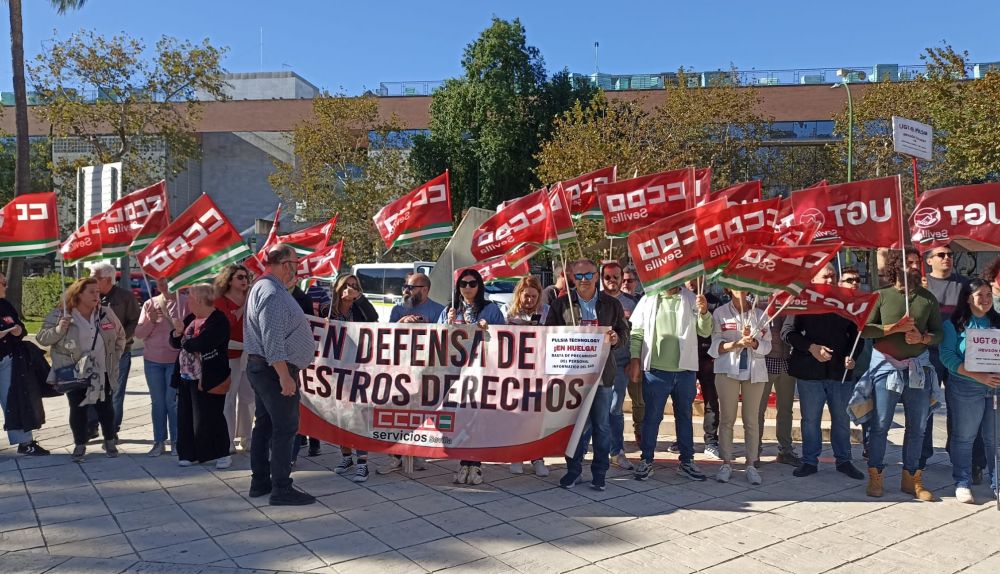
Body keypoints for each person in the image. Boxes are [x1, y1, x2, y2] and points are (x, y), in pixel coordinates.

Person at [858, 251, 941, 501]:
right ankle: (876, 474)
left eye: (917, 263)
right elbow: (864, 329)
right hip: (886, 370)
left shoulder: (927, 299)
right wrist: (892, 328)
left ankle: (911, 478)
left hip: (917, 370)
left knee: (917, 426)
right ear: (897, 266)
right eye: (910, 263)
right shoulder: (881, 296)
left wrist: (923, 338)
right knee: (881, 424)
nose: (915, 267)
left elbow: (938, 333)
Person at [245, 243, 319, 506]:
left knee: (265, 424)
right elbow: (272, 338)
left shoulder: (268, 288)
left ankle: (261, 482)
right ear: (285, 264)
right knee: (285, 427)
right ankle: (281, 487)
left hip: (267, 368)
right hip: (274, 369)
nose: (297, 269)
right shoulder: (272, 292)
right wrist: (284, 376)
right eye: (296, 264)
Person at [546, 259, 629, 491]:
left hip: (603, 375)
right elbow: (547, 334)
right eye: (579, 276)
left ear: (596, 276)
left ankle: (600, 472)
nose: (583, 280)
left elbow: (624, 333)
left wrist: (616, 339)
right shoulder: (561, 304)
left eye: (588, 275)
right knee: (576, 427)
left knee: (601, 426)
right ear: (572, 277)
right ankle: (573, 471)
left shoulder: (611, 304)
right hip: (572, 377)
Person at [781, 264, 865, 479]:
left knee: (841, 419)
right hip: (810, 372)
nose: (830, 280)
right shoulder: (802, 300)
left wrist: (852, 356)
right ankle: (809, 461)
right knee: (810, 420)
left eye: (833, 277)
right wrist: (811, 348)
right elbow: (788, 332)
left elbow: (858, 335)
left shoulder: (845, 303)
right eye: (825, 277)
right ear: (813, 279)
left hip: (840, 372)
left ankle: (844, 460)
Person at [627, 282, 712, 482]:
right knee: (652, 418)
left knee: (684, 416)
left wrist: (704, 311)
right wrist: (634, 360)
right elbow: (637, 333)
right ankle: (646, 460)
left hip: (685, 371)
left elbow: (705, 331)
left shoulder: (692, 297)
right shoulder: (648, 299)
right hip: (656, 372)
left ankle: (687, 461)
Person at [37, 277, 126, 462]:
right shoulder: (61, 313)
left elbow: (120, 336)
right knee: (78, 408)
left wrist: (114, 357)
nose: (96, 295)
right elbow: (42, 338)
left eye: (98, 292)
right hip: (74, 370)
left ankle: (109, 440)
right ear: (78, 294)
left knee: (105, 406)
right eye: (92, 292)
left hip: (102, 370)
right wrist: (59, 329)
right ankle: (79, 444)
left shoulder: (105, 313)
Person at [439, 268, 505, 485]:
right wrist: (446, 324)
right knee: (459, 416)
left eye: (472, 283)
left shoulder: (491, 309)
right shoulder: (450, 310)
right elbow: (436, 338)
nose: (468, 288)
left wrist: (490, 329)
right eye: (463, 284)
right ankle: (463, 462)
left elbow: (504, 338)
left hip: (480, 370)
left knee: (476, 415)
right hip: (455, 371)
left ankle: (475, 464)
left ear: (479, 286)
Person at [940, 278, 1000, 503]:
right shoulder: (953, 324)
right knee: (964, 437)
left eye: (988, 295)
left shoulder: (998, 323)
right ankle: (962, 482)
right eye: (979, 295)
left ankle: (998, 484)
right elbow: (947, 356)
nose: (985, 300)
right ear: (967, 298)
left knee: (995, 439)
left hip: (996, 388)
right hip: (965, 387)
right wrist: (978, 375)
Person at [378, 273, 444, 475]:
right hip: (400, 370)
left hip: (426, 370)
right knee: (398, 413)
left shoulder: (439, 310)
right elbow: (386, 334)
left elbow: (444, 338)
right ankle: (395, 455)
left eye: (411, 287)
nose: (406, 290)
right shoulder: (398, 309)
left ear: (425, 289)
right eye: (405, 286)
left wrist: (426, 326)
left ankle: (417, 453)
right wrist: (402, 322)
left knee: (420, 413)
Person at [709, 288, 771, 485]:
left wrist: (753, 343)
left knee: (751, 420)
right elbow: (715, 346)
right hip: (727, 371)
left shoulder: (760, 315)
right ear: (728, 288)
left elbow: (767, 346)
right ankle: (726, 462)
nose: (741, 289)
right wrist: (736, 344)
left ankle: (751, 463)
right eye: (736, 284)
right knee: (727, 419)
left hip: (755, 372)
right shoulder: (720, 313)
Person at [921, 245, 973, 478]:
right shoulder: (921, 285)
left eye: (950, 255)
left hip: (957, 354)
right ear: (929, 261)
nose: (947, 259)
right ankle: (920, 457)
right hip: (928, 354)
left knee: (960, 408)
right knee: (924, 407)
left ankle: (962, 457)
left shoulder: (964, 285)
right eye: (941, 255)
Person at [169, 284, 232, 469]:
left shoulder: (219, 320)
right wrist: (177, 332)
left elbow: (201, 343)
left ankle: (222, 453)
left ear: (198, 300)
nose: (187, 302)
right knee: (186, 416)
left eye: (189, 298)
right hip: (186, 376)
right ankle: (188, 453)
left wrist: (184, 340)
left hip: (210, 376)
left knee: (211, 415)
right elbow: (175, 342)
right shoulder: (190, 318)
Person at [326, 274, 377, 482]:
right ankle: (346, 456)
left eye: (355, 286)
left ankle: (363, 462)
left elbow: (373, 318)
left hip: (358, 368)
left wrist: (359, 298)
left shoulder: (360, 308)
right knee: (340, 415)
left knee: (358, 415)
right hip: (334, 369)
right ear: (338, 288)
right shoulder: (328, 310)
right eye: (347, 285)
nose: (351, 289)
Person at [134, 277, 188, 457]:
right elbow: (140, 334)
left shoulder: (185, 302)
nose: (163, 285)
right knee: (157, 403)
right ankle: (158, 441)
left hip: (175, 359)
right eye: (159, 282)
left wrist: (180, 326)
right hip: (153, 360)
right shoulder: (150, 303)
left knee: (172, 402)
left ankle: (177, 441)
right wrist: (150, 320)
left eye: (167, 280)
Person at [504, 275, 550, 477]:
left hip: (540, 371)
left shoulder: (547, 312)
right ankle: (516, 455)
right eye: (526, 296)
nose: (530, 300)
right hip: (515, 371)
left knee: (537, 417)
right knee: (517, 416)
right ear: (519, 295)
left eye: (534, 296)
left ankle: (537, 457)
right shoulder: (508, 311)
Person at [0, 271, 49, 455]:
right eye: (2, 282)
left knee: (15, 400)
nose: (6, 285)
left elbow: (21, 328)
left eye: (5, 281)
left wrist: (18, 330)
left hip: (7, 360)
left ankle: (25, 443)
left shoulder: (5, 305)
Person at [89, 262, 140, 439]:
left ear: (108, 279)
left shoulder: (125, 297)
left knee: (115, 392)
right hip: (93, 352)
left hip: (119, 352)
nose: (90, 280)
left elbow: (135, 321)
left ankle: (111, 430)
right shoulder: (89, 296)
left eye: (94, 277)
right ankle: (92, 426)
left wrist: (119, 340)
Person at [599, 261, 639, 470]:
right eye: (608, 277)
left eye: (616, 277)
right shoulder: (595, 302)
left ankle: (617, 451)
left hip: (621, 362)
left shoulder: (632, 303)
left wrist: (634, 359)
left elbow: (639, 333)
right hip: (596, 364)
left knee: (615, 407)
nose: (612, 281)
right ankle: (599, 450)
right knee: (598, 408)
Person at [214, 264, 253, 454]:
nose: (244, 280)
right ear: (229, 280)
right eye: (239, 277)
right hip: (229, 357)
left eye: (246, 276)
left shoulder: (252, 299)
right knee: (228, 401)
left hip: (250, 356)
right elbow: (221, 332)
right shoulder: (220, 302)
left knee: (248, 399)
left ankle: (247, 439)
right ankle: (227, 441)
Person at [684, 279, 722, 460]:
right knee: (683, 400)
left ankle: (711, 441)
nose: (693, 281)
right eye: (690, 277)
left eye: (698, 276)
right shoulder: (681, 298)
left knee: (711, 401)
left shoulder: (715, 300)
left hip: (708, 357)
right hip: (685, 356)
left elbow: (717, 330)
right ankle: (682, 439)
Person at [760, 309, 800, 468]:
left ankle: (785, 450)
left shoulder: (792, 305)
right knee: (758, 409)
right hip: (766, 361)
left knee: (785, 409)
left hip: (786, 361)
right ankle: (754, 449)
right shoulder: (763, 304)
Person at [622, 265, 645, 444]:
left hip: (635, 356)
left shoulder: (642, 302)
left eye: (629, 280)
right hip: (615, 358)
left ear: (636, 283)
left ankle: (640, 431)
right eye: (623, 280)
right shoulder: (609, 300)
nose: (625, 284)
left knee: (638, 400)